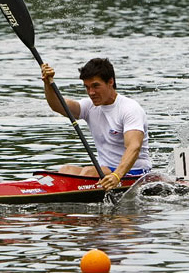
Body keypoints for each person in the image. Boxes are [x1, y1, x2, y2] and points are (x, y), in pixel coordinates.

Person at [40, 58, 152, 190]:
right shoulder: (90, 106)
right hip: (106, 171)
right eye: (87, 87)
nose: (91, 92)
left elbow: (134, 146)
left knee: (89, 172)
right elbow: (58, 106)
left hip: (135, 173)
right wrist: (48, 84)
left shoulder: (130, 108)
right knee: (66, 170)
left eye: (95, 86)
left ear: (111, 81)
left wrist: (117, 175)